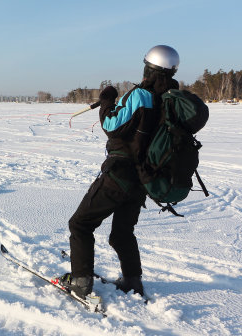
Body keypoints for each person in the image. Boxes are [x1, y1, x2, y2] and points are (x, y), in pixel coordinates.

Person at [57, 45, 181, 299]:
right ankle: (133, 281)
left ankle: (80, 283)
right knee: (122, 233)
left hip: (120, 175)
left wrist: (106, 101)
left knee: (80, 224)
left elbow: (112, 125)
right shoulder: (171, 100)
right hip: (143, 179)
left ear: (148, 68)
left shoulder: (141, 95)